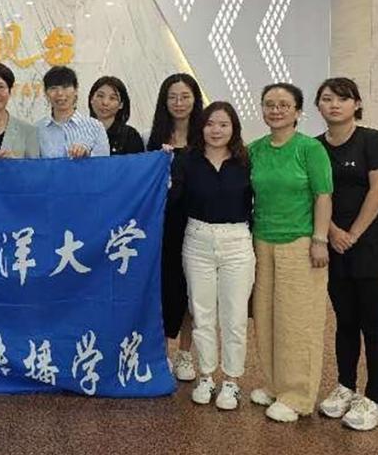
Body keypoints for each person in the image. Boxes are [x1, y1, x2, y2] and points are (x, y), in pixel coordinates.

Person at [314, 77, 378, 431]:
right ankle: (346, 386)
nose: (334, 105)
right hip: (336, 245)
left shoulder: (371, 139)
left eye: (342, 98)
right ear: (318, 106)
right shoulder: (315, 147)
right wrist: (333, 232)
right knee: (346, 322)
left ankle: (376, 400)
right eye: (326, 99)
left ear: (356, 104)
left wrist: (352, 234)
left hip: (374, 246)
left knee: (374, 325)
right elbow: (314, 194)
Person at [248, 83, 333, 423]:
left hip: (300, 243)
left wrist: (320, 239)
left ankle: (298, 395)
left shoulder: (309, 149)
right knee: (266, 316)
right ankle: (274, 384)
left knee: (298, 321)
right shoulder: (255, 150)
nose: (276, 110)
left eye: (284, 105)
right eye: (269, 104)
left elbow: (323, 195)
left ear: (298, 111)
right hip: (261, 241)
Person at [172, 102, 254, 410]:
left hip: (237, 241)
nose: (216, 130)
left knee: (234, 315)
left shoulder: (246, 161)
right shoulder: (187, 160)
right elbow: (173, 196)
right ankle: (206, 375)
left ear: (234, 128)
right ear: (201, 127)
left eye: (223, 124)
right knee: (201, 312)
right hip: (197, 240)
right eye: (210, 124)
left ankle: (231, 380)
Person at [146, 73, 204, 382]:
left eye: (185, 96)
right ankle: (162, 352)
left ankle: (185, 353)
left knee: (191, 289)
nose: (179, 103)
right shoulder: (154, 137)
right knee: (163, 287)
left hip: (196, 223)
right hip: (161, 225)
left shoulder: (206, 136)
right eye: (172, 97)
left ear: (195, 99)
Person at [36, 66, 110, 158]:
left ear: (75, 90)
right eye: (53, 88)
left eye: (65, 87)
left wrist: (86, 156)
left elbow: (104, 164)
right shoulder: (37, 130)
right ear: (46, 93)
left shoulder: (95, 127)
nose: (60, 93)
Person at [88, 75, 144, 155]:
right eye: (100, 96)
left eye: (112, 98)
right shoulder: (80, 131)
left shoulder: (130, 136)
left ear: (121, 104)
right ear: (91, 99)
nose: (105, 102)